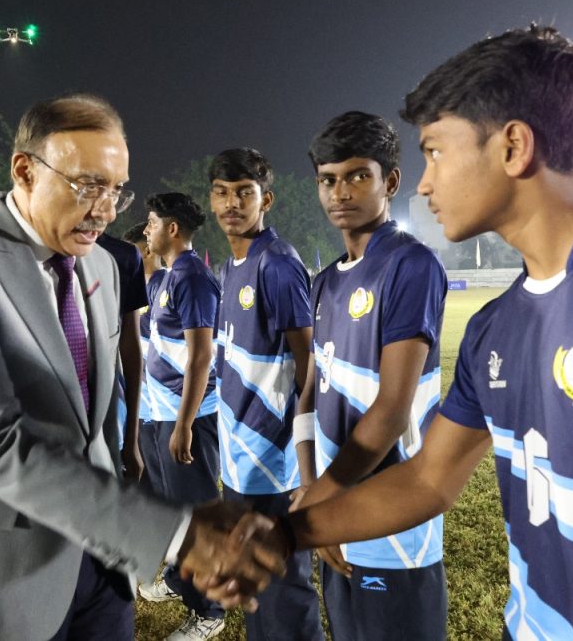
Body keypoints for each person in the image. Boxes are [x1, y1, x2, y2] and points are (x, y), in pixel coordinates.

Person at [282, 26, 573, 639]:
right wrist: (283, 533)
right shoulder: (493, 328)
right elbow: (428, 479)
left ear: (514, 146)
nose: (423, 183)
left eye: (436, 152)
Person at [0, 94, 284, 641]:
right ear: (25, 171)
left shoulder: (99, 264)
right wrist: (175, 533)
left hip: (100, 563)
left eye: (117, 190)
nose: (106, 209)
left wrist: (142, 489)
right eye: (88, 185)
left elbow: (90, 419)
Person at [290, 111, 448, 640]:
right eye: (328, 179)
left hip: (393, 523)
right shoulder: (323, 282)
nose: (340, 192)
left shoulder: (410, 266)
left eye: (358, 175)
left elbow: (392, 410)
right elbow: (309, 394)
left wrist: (322, 498)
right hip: (335, 511)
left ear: (391, 181)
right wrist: (312, 488)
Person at [208, 147, 323, 641]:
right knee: (256, 583)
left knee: (283, 590)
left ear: (266, 200)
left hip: (273, 461)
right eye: (222, 193)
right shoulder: (231, 267)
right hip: (239, 457)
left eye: (244, 193)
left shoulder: (276, 265)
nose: (232, 204)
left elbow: (310, 364)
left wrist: (305, 455)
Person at [138, 192, 226, 640]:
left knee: (195, 515)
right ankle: (179, 580)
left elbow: (201, 357)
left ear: (172, 229)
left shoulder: (193, 278)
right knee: (173, 509)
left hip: (187, 418)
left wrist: (185, 424)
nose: (146, 229)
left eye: (152, 223)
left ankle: (210, 611)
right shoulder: (168, 277)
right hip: (161, 414)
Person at [121, 222, 169, 495]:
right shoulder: (134, 289)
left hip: (160, 409)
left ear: (148, 251)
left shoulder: (165, 286)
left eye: (133, 253)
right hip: (140, 406)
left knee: (161, 486)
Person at [97, 230, 148, 480]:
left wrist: (132, 439)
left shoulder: (123, 257)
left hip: (109, 417)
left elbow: (130, 348)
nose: (106, 212)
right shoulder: (27, 251)